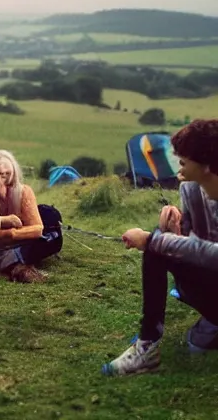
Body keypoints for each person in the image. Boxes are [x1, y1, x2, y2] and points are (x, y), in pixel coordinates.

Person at [103, 119, 218, 377]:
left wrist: (153, 240)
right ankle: (147, 346)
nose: (178, 166)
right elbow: (196, 242)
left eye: (184, 160)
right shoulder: (190, 187)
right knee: (158, 250)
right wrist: (176, 229)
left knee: (156, 244)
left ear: (207, 166)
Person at [0, 149, 59, 283]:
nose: (4, 176)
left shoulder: (24, 191)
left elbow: (37, 229)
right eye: (0, 174)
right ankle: (13, 265)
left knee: (51, 233)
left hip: (17, 241)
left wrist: (10, 234)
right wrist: (4, 220)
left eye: (7, 173)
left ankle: (14, 265)